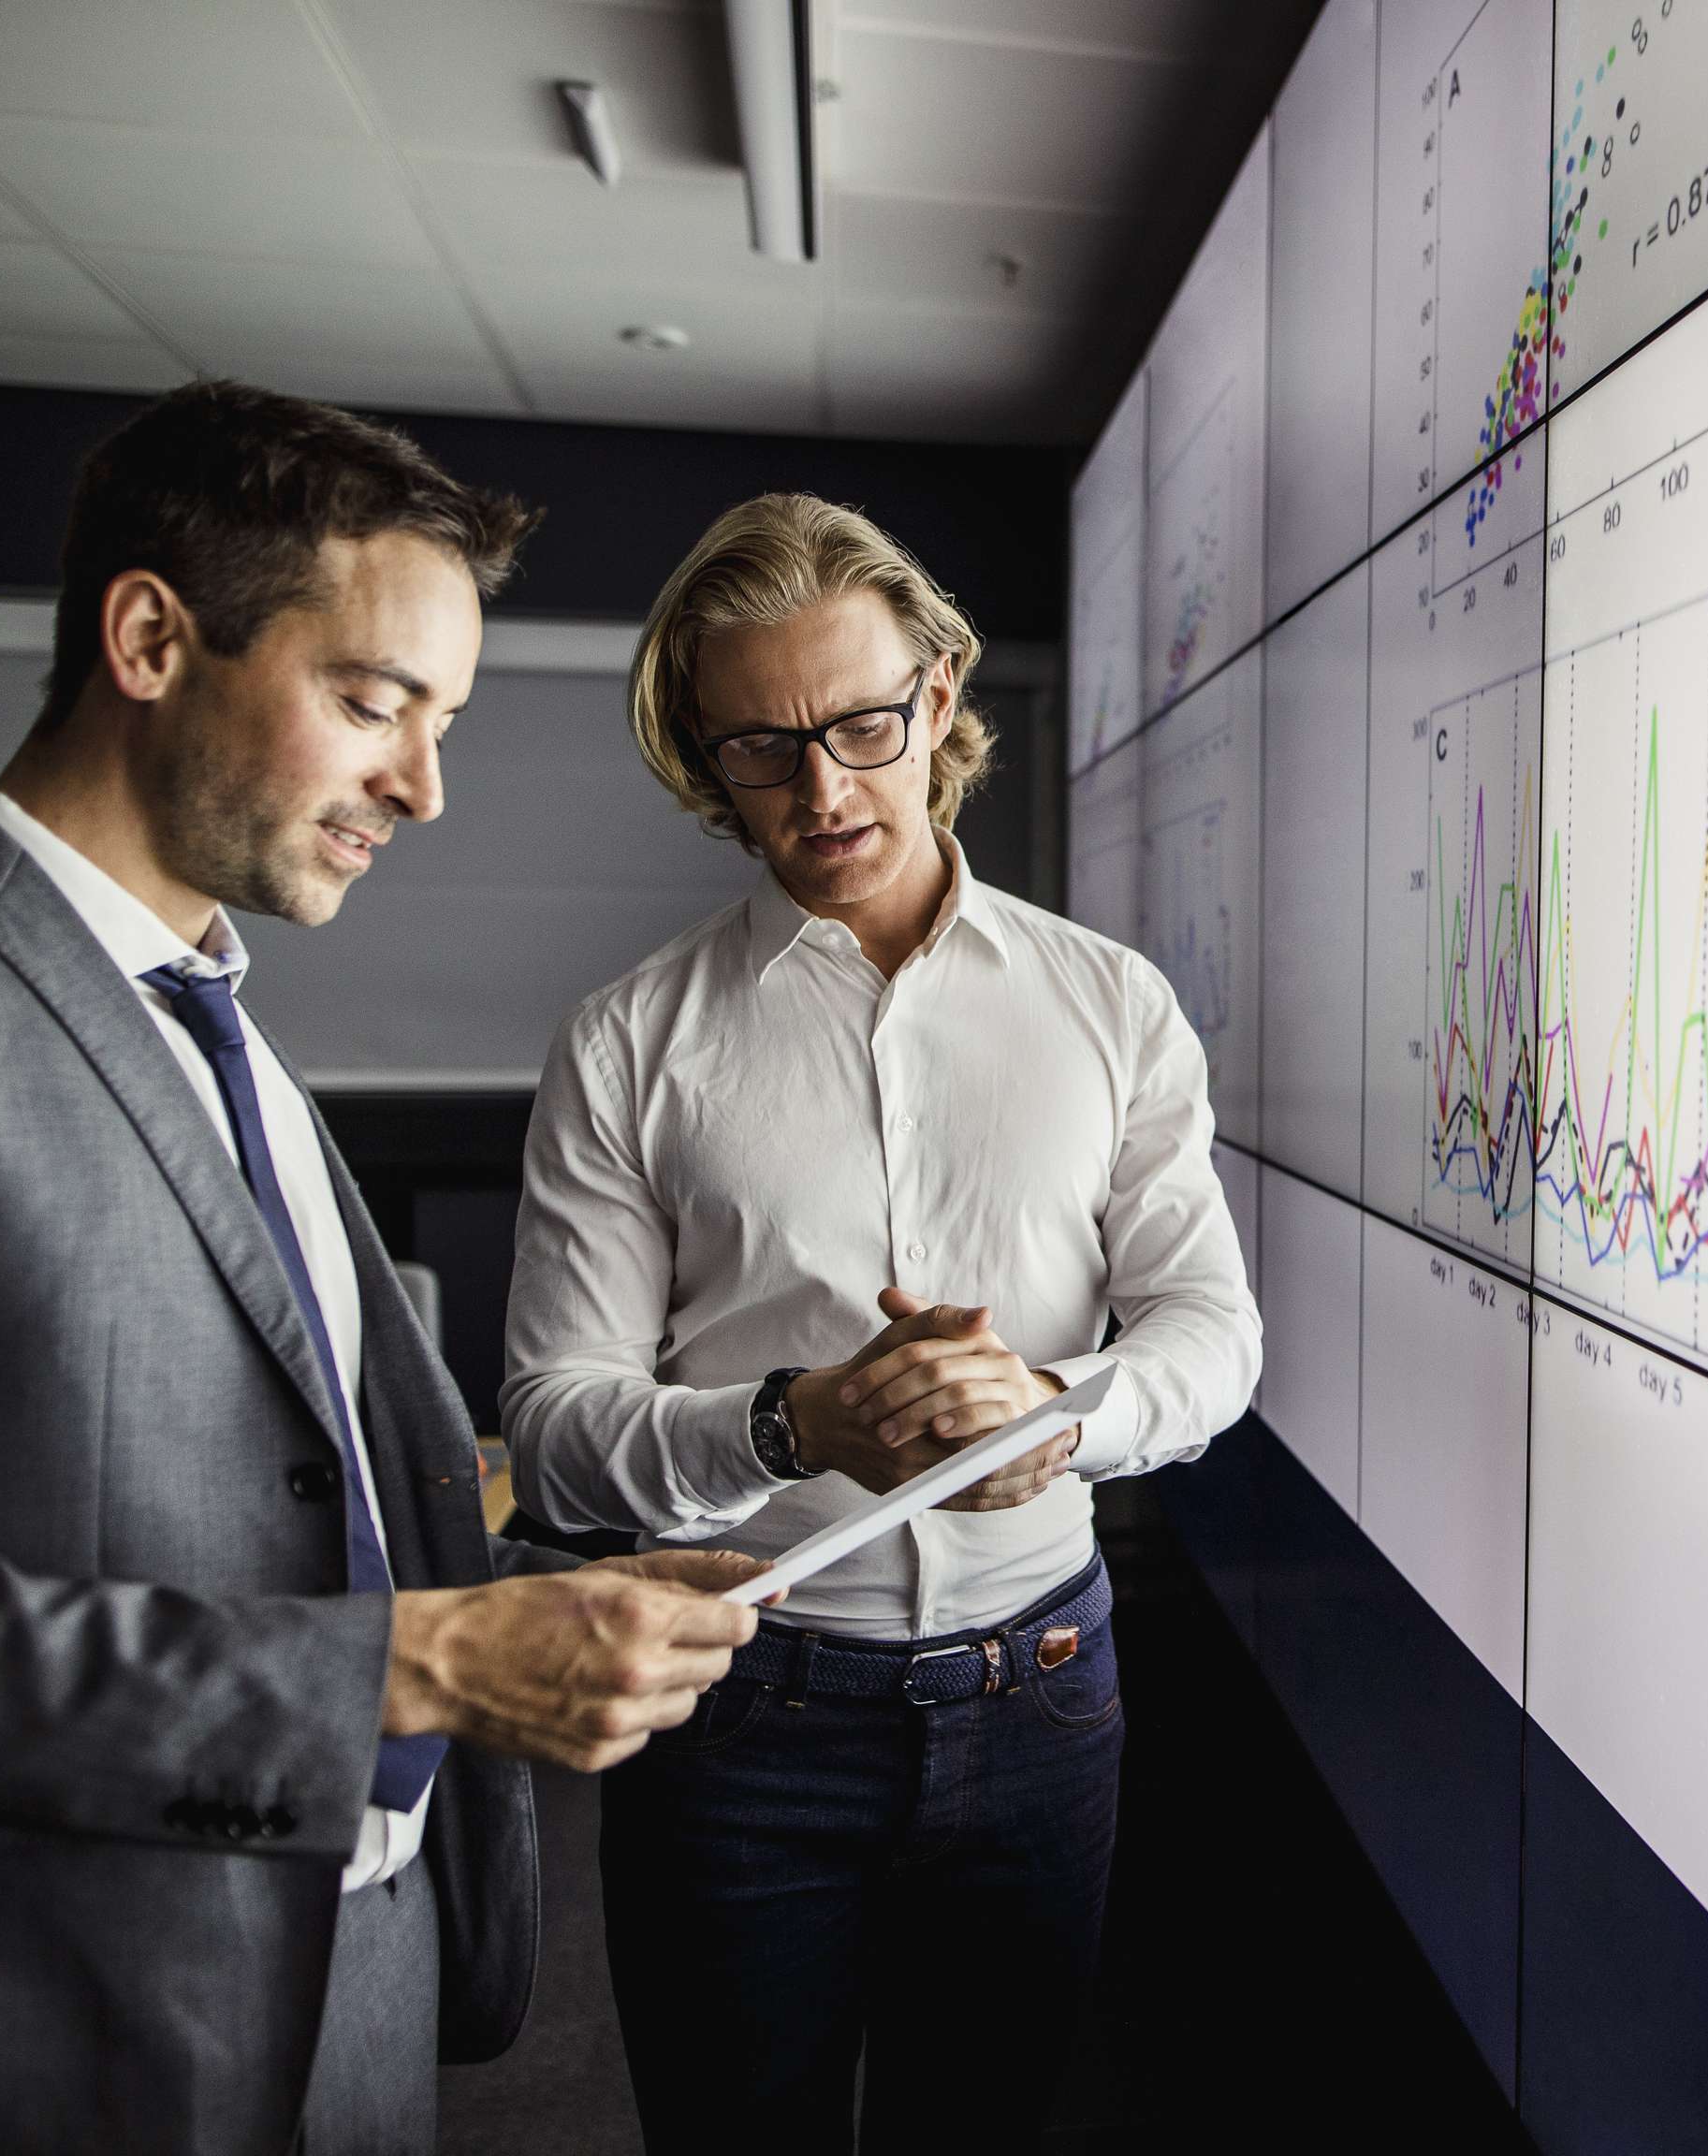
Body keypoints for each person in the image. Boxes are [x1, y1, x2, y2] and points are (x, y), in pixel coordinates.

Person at [0, 382, 766, 2156]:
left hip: (348, 1982)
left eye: (441, 720)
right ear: (152, 637)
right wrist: (426, 1670)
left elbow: (284, 1508)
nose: (426, 787)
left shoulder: (217, 1024)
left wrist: (537, 1591)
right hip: (55, 2033)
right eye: (375, 702)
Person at [503, 492, 1261, 2151]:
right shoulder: (629, 1041)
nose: (827, 790)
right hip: (745, 1720)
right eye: (764, 750)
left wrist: (1054, 1411)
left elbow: (1211, 1328)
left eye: (862, 723)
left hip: (1045, 1694)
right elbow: (557, 1419)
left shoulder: (1110, 1001)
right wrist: (793, 1424)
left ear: (940, 693)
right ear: (707, 763)